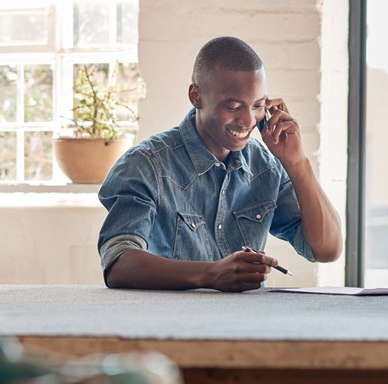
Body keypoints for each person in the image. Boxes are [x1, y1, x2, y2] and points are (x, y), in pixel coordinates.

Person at [97, 36, 342, 292]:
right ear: (196, 96)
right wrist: (212, 274)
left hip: (243, 326)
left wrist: (297, 163)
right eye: (234, 106)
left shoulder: (265, 166)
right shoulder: (146, 165)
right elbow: (118, 264)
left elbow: (326, 249)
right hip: (169, 326)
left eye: (258, 105)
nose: (248, 121)